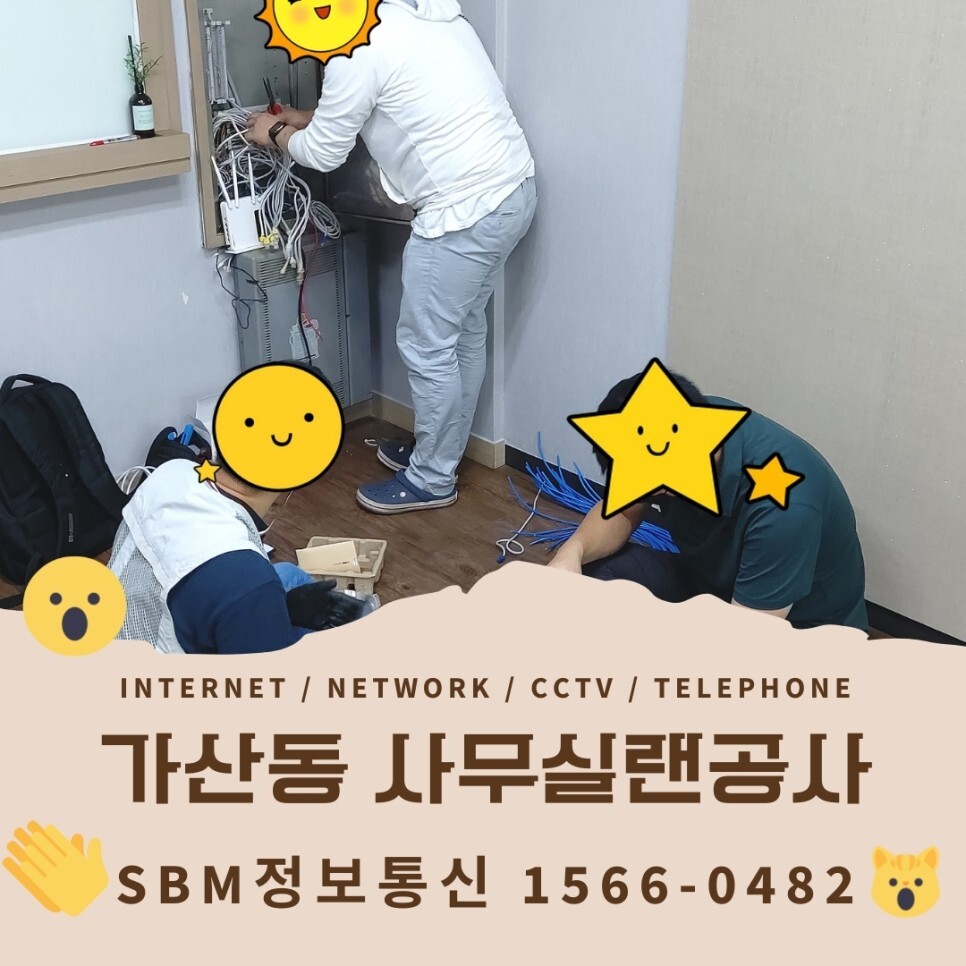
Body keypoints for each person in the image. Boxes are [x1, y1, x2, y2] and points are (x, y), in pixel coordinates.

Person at [246, 0, 537, 513]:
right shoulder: (416, 15)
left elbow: (325, 153)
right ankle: (438, 452)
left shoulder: (354, 53)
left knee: (429, 347)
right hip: (510, 192)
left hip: (462, 215)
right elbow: (384, 99)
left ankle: (432, 477)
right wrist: (305, 119)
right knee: (462, 334)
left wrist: (271, 133)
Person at [549, 372, 868, 630]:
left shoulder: (785, 511)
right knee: (592, 578)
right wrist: (570, 554)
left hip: (798, 629)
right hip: (709, 586)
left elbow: (744, 644)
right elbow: (621, 512)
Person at [108, 458, 370, 654]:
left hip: (120, 626)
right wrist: (265, 612)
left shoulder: (172, 470)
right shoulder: (248, 580)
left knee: (290, 575)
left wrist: (283, 608)